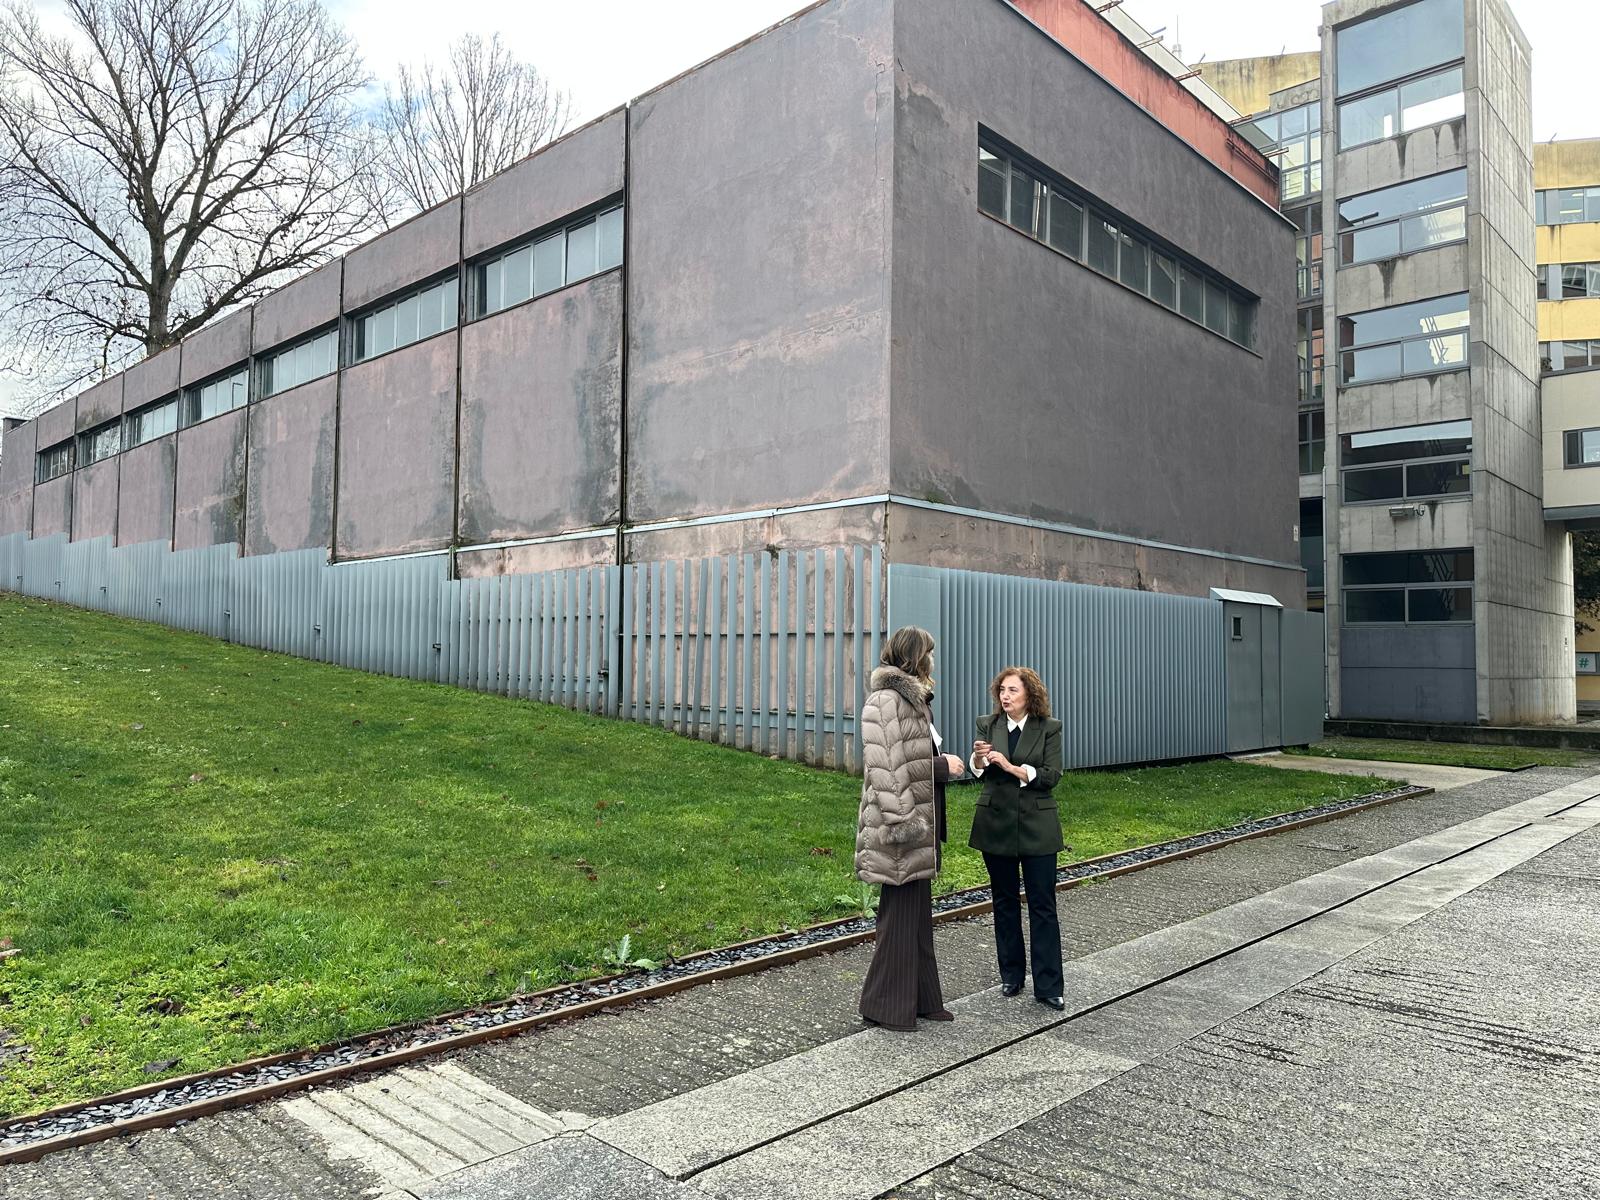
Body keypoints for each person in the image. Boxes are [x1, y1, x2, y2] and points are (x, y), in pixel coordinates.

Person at [855, 625, 967, 1031]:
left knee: (917, 919)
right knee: (899, 919)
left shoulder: (915, 701)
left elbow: (914, 754)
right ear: (914, 655)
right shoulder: (885, 701)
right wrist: (940, 769)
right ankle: (885, 1006)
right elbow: (886, 767)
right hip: (898, 826)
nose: (932, 660)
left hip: (920, 824)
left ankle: (922, 1000)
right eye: (928, 653)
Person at [969, 667, 1066, 1010]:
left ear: (1030, 695)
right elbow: (978, 771)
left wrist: (1012, 768)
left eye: (1012, 690)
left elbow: (1052, 775)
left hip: (1038, 827)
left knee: (1043, 905)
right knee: (1004, 902)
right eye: (1001, 690)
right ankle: (1011, 976)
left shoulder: (1049, 729)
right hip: (995, 824)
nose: (1005, 696)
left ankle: (1049, 985)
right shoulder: (988, 724)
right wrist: (979, 759)